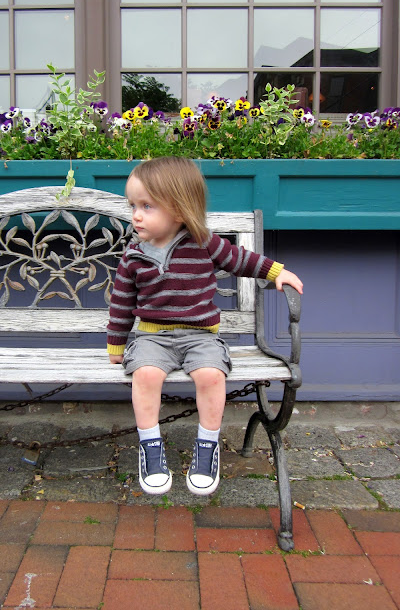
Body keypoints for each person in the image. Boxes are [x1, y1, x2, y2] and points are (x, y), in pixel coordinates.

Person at [107, 156, 303, 496]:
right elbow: (122, 302)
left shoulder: (204, 243)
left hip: (201, 337)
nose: (136, 215)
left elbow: (241, 260)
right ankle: (150, 447)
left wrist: (276, 272)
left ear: (179, 209)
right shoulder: (134, 255)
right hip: (152, 336)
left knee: (212, 375)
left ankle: (207, 446)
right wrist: (116, 345)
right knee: (145, 375)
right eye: (133, 205)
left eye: (147, 206)